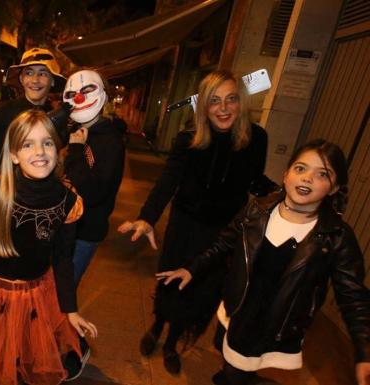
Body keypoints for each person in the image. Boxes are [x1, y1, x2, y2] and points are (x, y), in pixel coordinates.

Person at [158, 139, 370, 385]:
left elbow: (354, 297)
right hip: (237, 309)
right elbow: (224, 243)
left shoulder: (337, 237)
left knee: (238, 372)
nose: (307, 178)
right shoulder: (257, 210)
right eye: (300, 168)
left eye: (322, 174)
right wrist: (192, 269)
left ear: (334, 188)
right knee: (225, 350)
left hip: (274, 326)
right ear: (286, 173)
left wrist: (364, 352)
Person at [118, 70, 268, 374]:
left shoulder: (256, 139)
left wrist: (287, 196)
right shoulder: (189, 139)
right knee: (171, 283)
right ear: (204, 107)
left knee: (199, 292)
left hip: (222, 235)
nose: (223, 108)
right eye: (215, 101)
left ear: (241, 103)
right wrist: (147, 217)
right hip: (184, 227)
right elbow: (168, 180)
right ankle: (157, 326)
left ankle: (173, 343)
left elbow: (255, 181)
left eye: (230, 100)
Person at [0, 110, 98, 385]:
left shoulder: (68, 201)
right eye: (28, 144)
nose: (39, 151)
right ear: (14, 155)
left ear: (58, 149)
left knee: (24, 356)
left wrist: (70, 309)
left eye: (47, 143)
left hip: (37, 294)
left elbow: (64, 259)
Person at [0, 47, 66, 193]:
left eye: (42, 73)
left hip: (38, 199)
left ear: (52, 81)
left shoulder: (57, 118)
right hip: (2, 196)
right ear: (21, 79)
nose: (35, 80)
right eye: (29, 73)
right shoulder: (1, 113)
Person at [63, 69, 126, 285]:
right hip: (62, 226)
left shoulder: (111, 142)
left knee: (63, 292)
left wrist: (76, 151)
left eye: (87, 90)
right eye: (72, 94)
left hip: (85, 231)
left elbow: (94, 192)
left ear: (104, 96)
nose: (79, 97)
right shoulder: (72, 130)